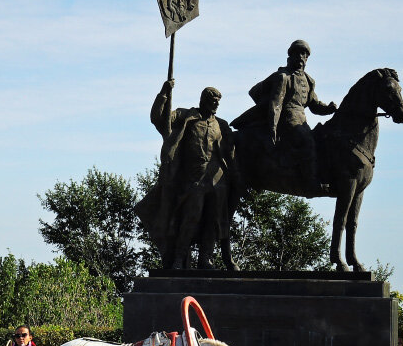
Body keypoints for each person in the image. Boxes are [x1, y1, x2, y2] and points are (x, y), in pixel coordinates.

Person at [135, 81, 237, 270]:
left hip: (217, 179)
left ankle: (206, 259)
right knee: (191, 217)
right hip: (193, 178)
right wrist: (164, 94)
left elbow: (231, 150)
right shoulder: (185, 116)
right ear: (203, 100)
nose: (215, 105)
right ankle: (179, 259)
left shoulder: (220, 125)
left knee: (213, 220)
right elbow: (158, 118)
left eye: (217, 102)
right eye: (212, 101)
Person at [231, 39, 337, 192]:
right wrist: (272, 127)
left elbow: (314, 105)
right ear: (291, 56)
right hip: (287, 118)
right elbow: (276, 104)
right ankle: (310, 182)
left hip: (302, 119)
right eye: (298, 53)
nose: (301, 56)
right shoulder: (283, 77)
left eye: (304, 54)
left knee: (320, 139)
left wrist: (329, 109)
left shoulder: (308, 81)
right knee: (306, 140)